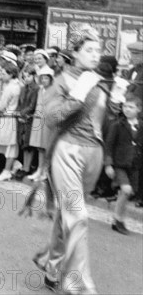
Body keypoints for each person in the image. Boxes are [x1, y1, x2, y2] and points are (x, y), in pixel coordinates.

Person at [32, 25, 106, 294]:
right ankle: (79, 285)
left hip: (92, 154)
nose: (95, 55)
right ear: (74, 52)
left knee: (69, 214)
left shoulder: (98, 82)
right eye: (89, 50)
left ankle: (51, 264)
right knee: (78, 216)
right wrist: (77, 95)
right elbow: (50, 119)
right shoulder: (60, 81)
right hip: (68, 151)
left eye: (98, 50)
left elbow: (99, 122)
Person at [104, 95, 143, 235]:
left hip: (134, 166)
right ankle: (118, 220)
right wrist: (108, 164)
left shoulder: (141, 126)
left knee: (127, 194)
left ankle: (118, 219)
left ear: (139, 109)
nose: (127, 109)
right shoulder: (117, 125)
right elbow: (108, 146)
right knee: (125, 190)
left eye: (131, 107)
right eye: (125, 106)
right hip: (119, 164)